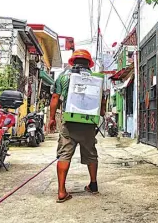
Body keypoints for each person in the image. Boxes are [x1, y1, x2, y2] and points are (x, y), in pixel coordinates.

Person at [48, 49, 104, 203]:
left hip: (69, 123)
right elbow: (101, 101)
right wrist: (102, 113)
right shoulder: (95, 78)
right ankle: (93, 185)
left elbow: (55, 97)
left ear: (73, 61)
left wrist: (51, 118)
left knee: (64, 154)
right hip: (88, 123)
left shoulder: (64, 77)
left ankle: (61, 191)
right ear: (88, 63)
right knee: (91, 153)